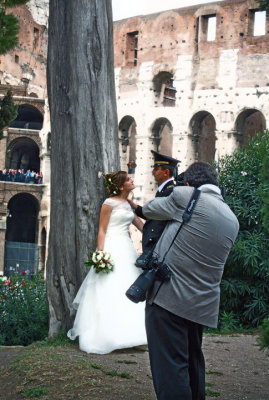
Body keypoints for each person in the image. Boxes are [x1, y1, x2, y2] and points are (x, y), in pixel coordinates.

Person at [137, 162, 239, 400]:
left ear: (190, 182)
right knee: (194, 366)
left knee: (170, 370)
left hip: (168, 298)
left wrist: (179, 193)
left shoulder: (186, 195)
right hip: (201, 305)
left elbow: (150, 209)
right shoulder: (231, 218)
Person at [67, 171, 147, 354]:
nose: (132, 180)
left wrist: (154, 237)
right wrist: (101, 254)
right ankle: (107, 335)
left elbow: (140, 225)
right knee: (109, 287)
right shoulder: (108, 203)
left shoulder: (128, 204)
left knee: (130, 285)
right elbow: (102, 230)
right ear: (120, 186)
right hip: (111, 246)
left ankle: (134, 335)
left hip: (126, 247)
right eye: (128, 179)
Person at [128, 150, 179, 256]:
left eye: (156, 169)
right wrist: (133, 205)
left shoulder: (170, 192)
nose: (152, 172)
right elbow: (154, 214)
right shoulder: (163, 190)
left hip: (158, 247)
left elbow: (157, 217)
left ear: (166, 173)